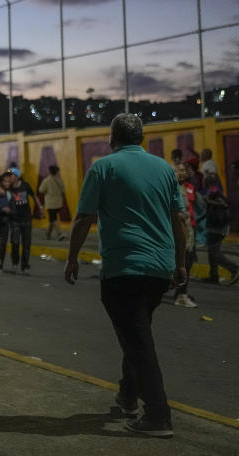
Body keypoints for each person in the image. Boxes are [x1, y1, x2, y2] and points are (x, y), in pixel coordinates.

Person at [64, 113, 186, 438]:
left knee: (137, 341)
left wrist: (72, 259)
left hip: (124, 269)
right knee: (137, 333)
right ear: (142, 138)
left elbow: (83, 218)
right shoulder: (164, 170)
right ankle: (127, 397)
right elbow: (179, 221)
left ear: (111, 138)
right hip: (160, 269)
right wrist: (181, 263)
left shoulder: (104, 167)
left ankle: (158, 416)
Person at [172, 162, 198, 308]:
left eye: (182, 170)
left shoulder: (185, 186)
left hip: (188, 231)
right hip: (180, 232)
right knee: (184, 264)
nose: (181, 173)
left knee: (188, 262)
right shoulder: (172, 188)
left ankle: (180, 292)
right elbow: (175, 212)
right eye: (177, 171)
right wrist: (183, 214)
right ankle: (181, 295)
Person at [7, 168, 41, 275]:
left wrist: (40, 207)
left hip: (26, 219)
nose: (9, 178)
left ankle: (25, 266)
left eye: (11, 175)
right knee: (15, 244)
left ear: (17, 176)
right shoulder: (8, 188)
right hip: (14, 220)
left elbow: (34, 196)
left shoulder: (25, 185)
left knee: (26, 245)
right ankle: (15, 264)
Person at [203, 186, 238, 284]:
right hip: (216, 230)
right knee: (212, 253)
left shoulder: (218, 200)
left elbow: (222, 205)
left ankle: (234, 269)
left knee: (214, 253)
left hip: (217, 230)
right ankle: (214, 276)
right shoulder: (219, 198)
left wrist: (208, 200)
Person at [38, 165, 67, 241]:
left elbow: (41, 190)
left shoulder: (46, 180)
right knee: (52, 219)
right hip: (58, 203)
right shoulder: (59, 180)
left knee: (53, 218)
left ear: (49, 171)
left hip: (50, 203)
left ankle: (59, 234)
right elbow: (63, 190)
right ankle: (48, 233)